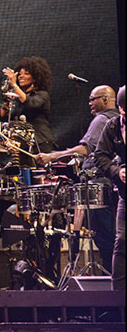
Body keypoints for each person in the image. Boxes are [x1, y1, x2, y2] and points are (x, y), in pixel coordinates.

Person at [34, 85, 118, 269]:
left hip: (98, 183)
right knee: (112, 236)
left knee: (105, 238)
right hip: (111, 184)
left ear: (105, 99)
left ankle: (114, 279)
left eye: (93, 99)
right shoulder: (117, 119)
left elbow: (86, 149)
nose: (90, 103)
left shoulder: (101, 119)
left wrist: (52, 156)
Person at [93, 85, 125, 291]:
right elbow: (99, 156)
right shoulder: (113, 126)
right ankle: (118, 298)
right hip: (125, 195)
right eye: (123, 109)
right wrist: (117, 171)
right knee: (121, 241)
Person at [1, 56, 58, 154]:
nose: (21, 76)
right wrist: (6, 100)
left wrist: (14, 85)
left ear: (35, 78)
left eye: (26, 74)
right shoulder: (18, 98)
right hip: (23, 146)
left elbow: (31, 104)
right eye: (19, 74)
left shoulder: (42, 95)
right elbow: (2, 116)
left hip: (40, 144)